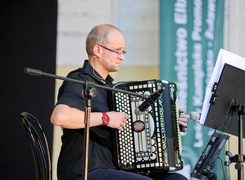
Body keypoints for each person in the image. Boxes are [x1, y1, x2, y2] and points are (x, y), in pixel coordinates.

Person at [51, 24, 189, 180]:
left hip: (113, 169)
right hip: (85, 171)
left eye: (122, 51)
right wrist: (106, 118)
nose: (122, 57)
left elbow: (132, 128)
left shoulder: (110, 88)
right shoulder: (79, 80)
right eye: (117, 51)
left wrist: (170, 123)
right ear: (98, 50)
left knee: (177, 179)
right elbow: (59, 117)